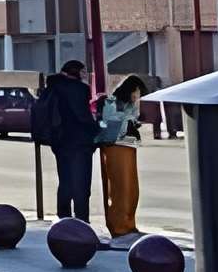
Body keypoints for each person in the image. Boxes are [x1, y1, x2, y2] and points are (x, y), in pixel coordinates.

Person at [34, 58, 98, 222]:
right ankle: (82, 220)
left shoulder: (53, 87)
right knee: (81, 184)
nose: (85, 75)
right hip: (78, 142)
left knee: (65, 181)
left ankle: (63, 218)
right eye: (83, 71)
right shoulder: (78, 89)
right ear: (75, 72)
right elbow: (82, 116)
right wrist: (97, 130)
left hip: (59, 142)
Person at [98, 73, 147, 237]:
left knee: (131, 189)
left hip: (128, 146)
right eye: (137, 92)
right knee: (121, 187)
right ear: (131, 90)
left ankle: (129, 223)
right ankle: (119, 226)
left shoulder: (129, 106)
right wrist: (128, 119)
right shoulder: (113, 103)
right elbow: (110, 126)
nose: (137, 97)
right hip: (117, 147)